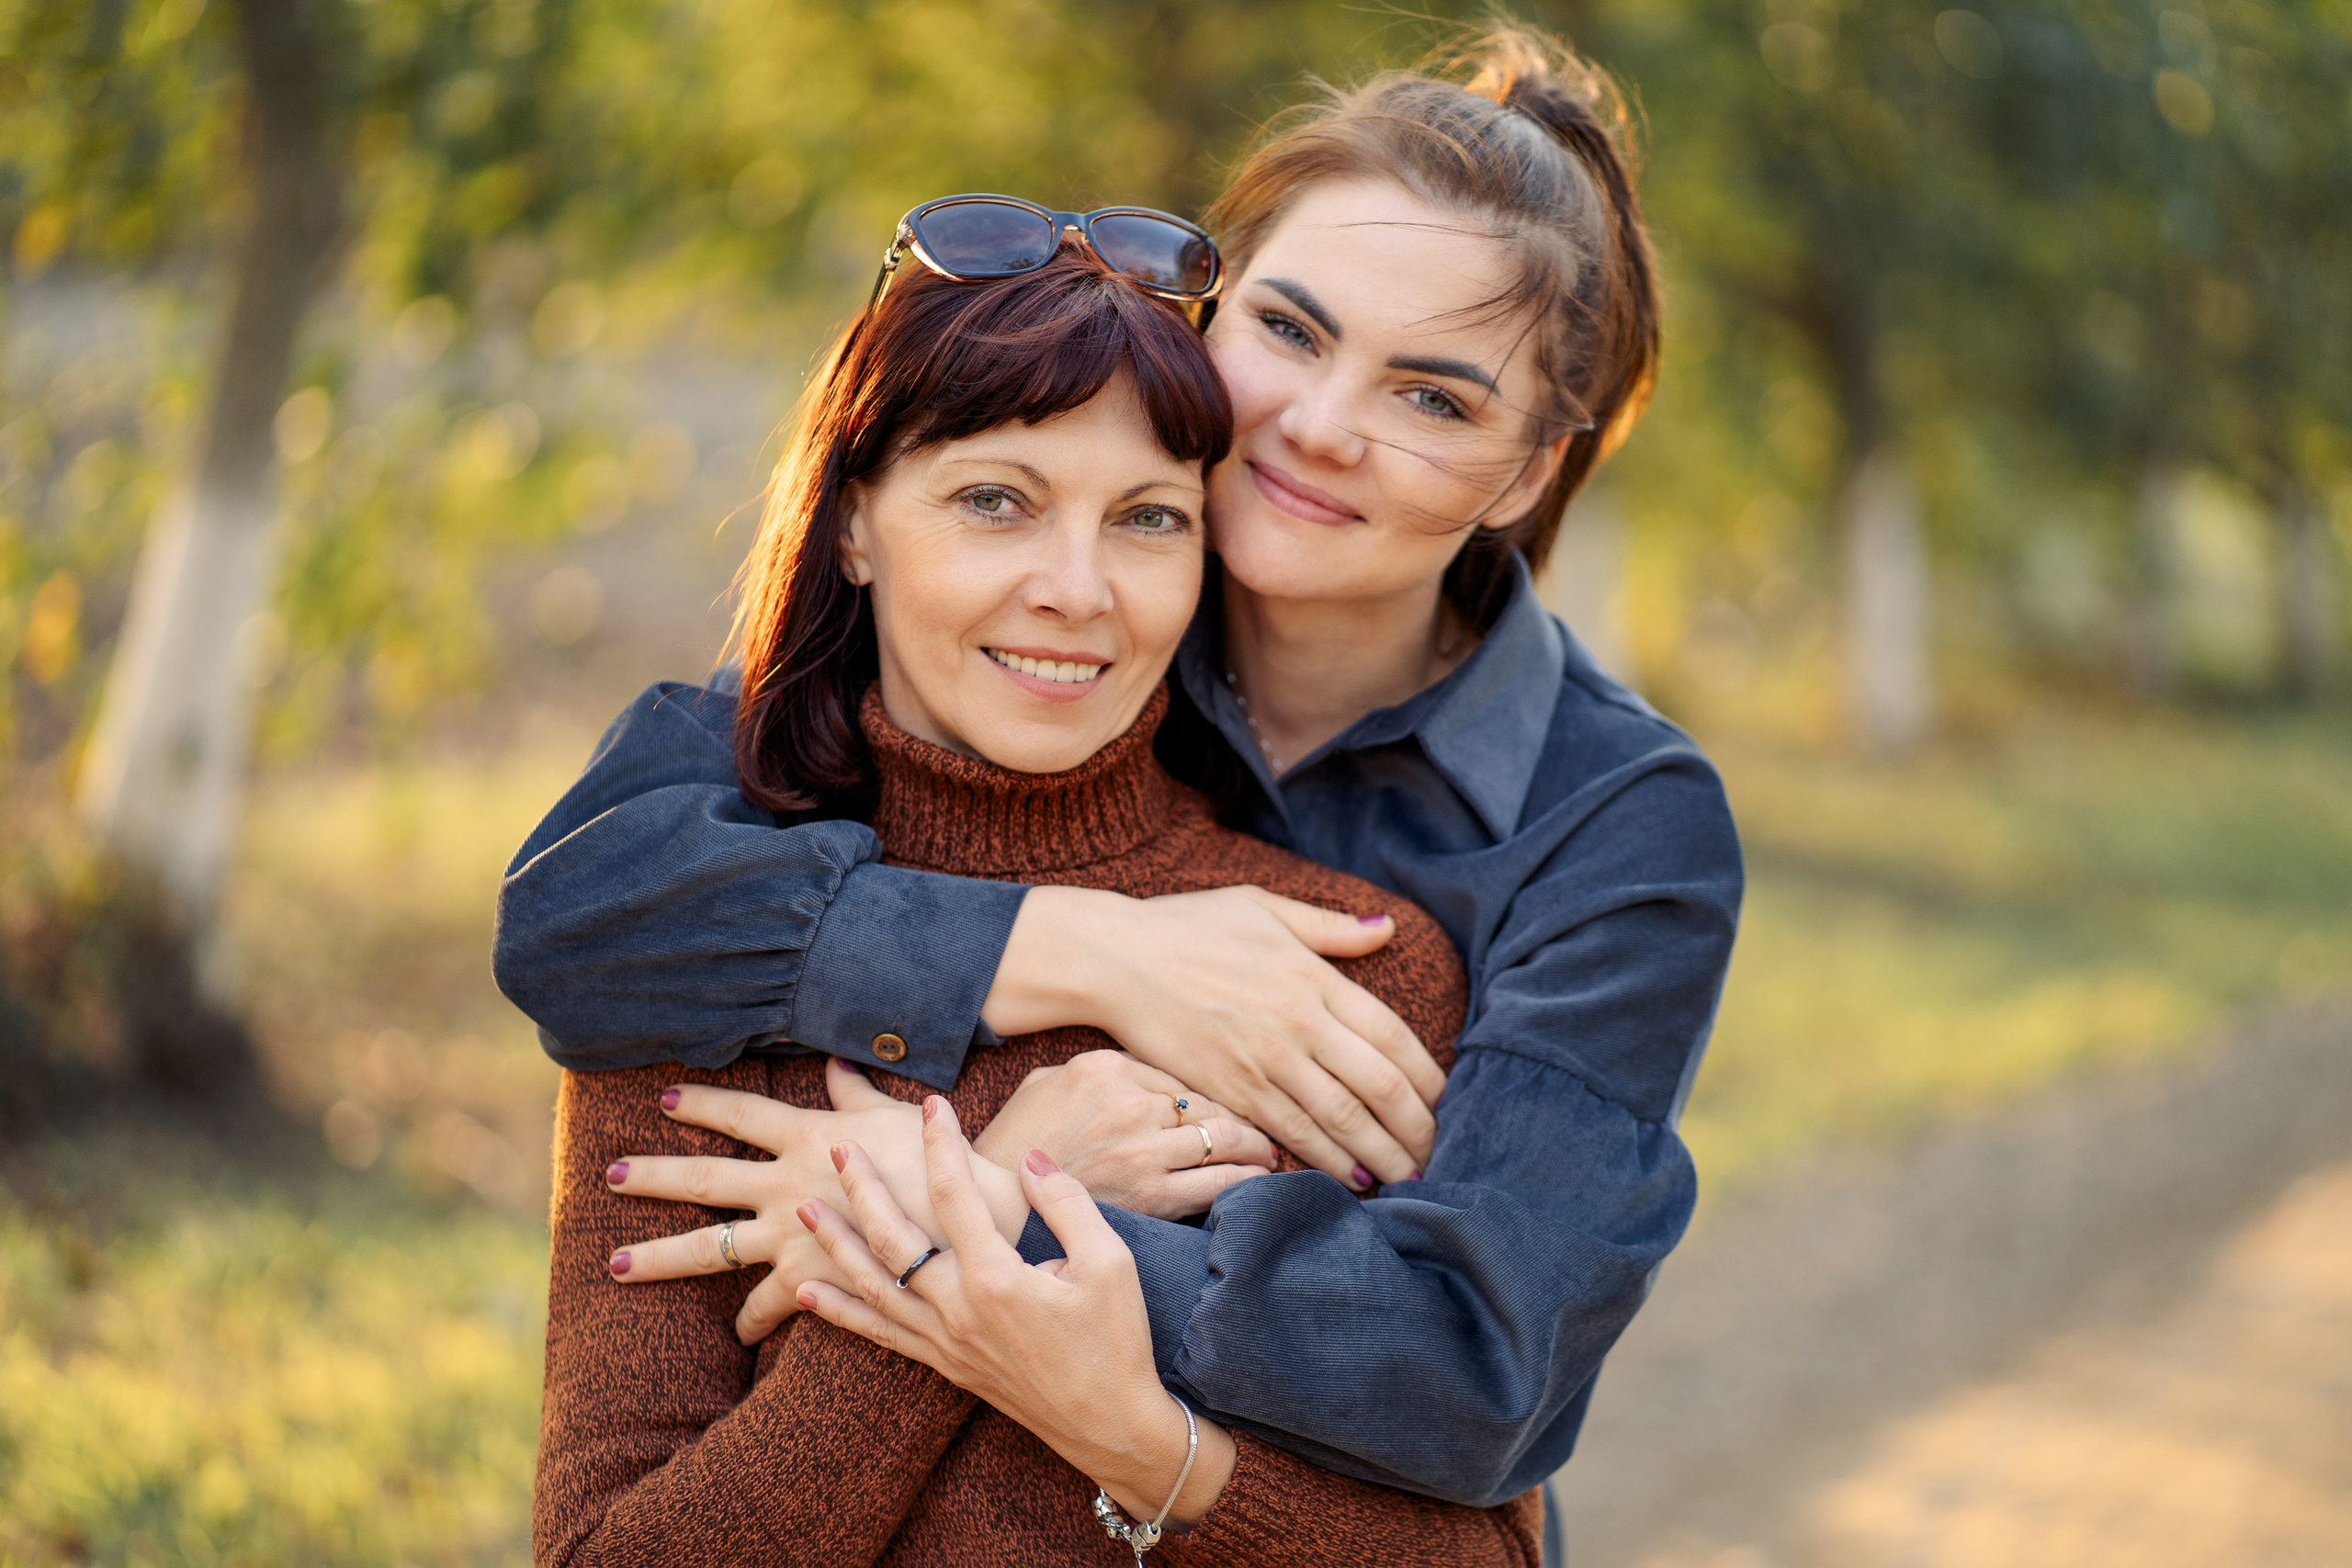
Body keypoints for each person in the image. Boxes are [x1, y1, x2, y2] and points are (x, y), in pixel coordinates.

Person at [500, 23, 1741, 1536]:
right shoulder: (1046, 635)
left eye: (1435, 399)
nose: (1321, 425)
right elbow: (585, 910)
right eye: (1288, 330)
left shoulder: (1615, 823)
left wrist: (954, 1211)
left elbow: (1473, 1369)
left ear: (1531, 471)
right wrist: (1086, 950)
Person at [534, 241, 1541, 1562]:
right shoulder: (702, 958)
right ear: (854, 524)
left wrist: (1134, 1433)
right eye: (996, 501)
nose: (1079, 587)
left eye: (1147, 518)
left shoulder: (1338, 977)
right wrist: (991, 1214)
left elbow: (1482, 1554)